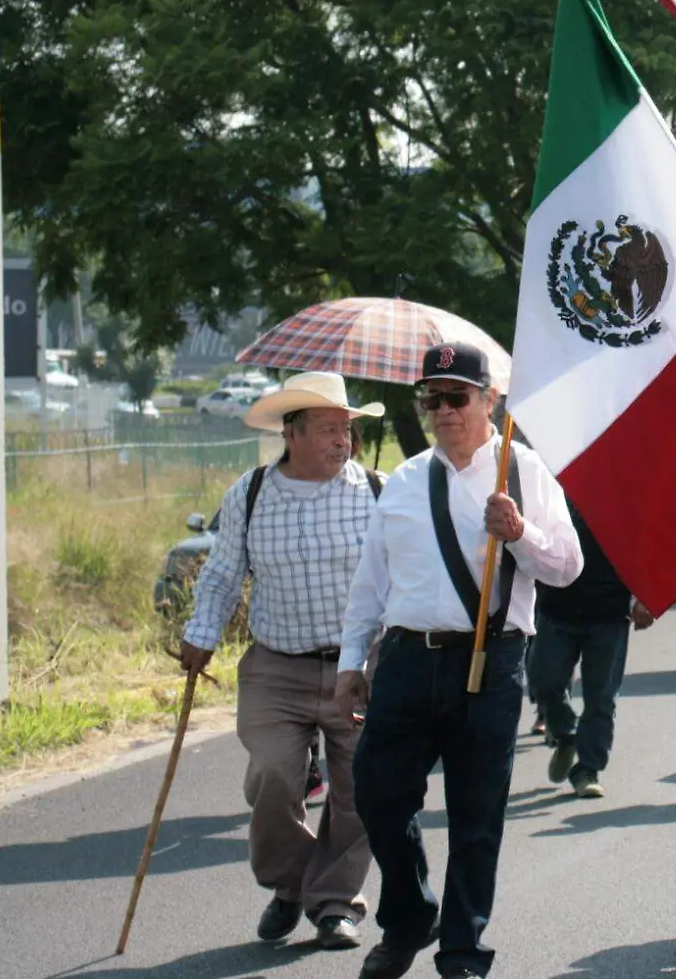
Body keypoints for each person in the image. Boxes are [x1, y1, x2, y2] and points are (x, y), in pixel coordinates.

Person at [334, 342, 583, 979]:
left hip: (491, 660)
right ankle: (411, 916)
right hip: (407, 660)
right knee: (379, 795)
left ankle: (464, 948)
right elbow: (371, 583)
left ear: (489, 401)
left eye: (457, 398)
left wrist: (520, 533)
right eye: (432, 399)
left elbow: (567, 568)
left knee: (476, 814)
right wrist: (350, 665)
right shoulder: (405, 482)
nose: (443, 411)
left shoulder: (522, 472)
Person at [179, 372, 385, 950]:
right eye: (327, 429)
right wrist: (202, 634)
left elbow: (405, 574)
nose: (342, 440)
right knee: (272, 775)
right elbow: (223, 574)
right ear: (292, 432)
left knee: (355, 788)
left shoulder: (376, 490)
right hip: (277, 663)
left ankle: (336, 903)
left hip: (356, 666)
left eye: (347, 428)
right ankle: (292, 885)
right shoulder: (250, 491)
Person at [532, 498, 656, 799]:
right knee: (543, 682)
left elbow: (648, 543)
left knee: (601, 698)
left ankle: (588, 768)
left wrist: (647, 595)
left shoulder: (627, 494)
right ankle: (566, 733)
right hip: (555, 608)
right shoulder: (552, 484)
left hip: (609, 614)